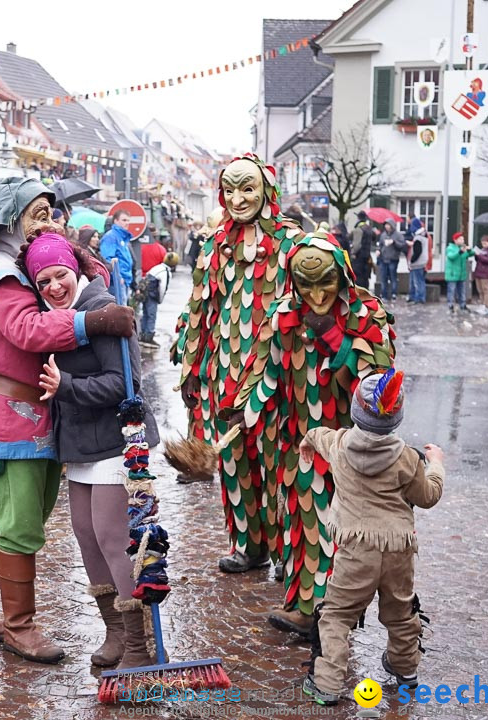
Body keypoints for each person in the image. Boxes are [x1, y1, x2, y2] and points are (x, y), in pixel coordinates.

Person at [0, 177, 136, 665]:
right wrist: (89, 322)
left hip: (35, 415)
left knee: (15, 520)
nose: (48, 222)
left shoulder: (16, 268)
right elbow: (27, 330)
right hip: (14, 418)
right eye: (37, 213)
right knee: (19, 525)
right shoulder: (0, 273)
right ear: (9, 219)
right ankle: (19, 626)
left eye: (50, 213)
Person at [229, 229, 395, 636]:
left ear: (343, 274)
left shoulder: (366, 313)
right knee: (303, 521)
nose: (317, 293)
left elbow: (379, 387)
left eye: (326, 281)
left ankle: (339, 608)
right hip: (298, 439)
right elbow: (265, 373)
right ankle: (308, 606)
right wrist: (243, 413)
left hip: (349, 443)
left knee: (346, 528)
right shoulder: (283, 314)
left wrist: (335, 338)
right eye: (306, 283)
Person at [23, 233, 161, 669]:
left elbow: (125, 384)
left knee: (113, 538)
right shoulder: (56, 316)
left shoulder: (101, 308)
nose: (54, 287)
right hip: (81, 444)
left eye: (60, 275)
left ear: (75, 270)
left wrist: (67, 387)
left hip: (115, 441)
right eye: (43, 281)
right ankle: (115, 633)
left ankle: (140, 646)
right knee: (85, 536)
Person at [171, 153, 301, 574]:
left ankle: (284, 551)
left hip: (273, 368)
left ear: (266, 189)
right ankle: (249, 545)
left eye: (247, 188)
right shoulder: (215, 243)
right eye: (230, 190)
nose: (238, 198)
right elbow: (200, 310)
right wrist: (191, 368)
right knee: (233, 462)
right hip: (221, 367)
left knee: (276, 461)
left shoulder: (290, 242)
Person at [301, 370, 445, 706]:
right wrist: (435, 464)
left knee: (336, 615)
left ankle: (327, 683)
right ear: (396, 417)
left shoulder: (338, 445)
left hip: (356, 552)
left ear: (355, 411)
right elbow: (428, 496)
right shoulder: (408, 459)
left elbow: (320, 435)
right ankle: (405, 668)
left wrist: (307, 440)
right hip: (398, 550)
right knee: (400, 611)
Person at [98, 209, 134, 303]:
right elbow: (107, 259)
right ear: (116, 221)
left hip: (124, 279)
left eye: (128, 220)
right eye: (124, 220)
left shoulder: (122, 237)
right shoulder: (111, 237)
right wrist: (118, 276)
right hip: (117, 281)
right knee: (120, 311)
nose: (127, 223)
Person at [377, 221, 407, 302]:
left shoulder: (398, 235)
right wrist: (378, 251)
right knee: (383, 278)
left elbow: (402, 245)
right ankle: (384, 295)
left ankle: (394, 294)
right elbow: (380, 245)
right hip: (383, 259)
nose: (386, 226)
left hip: (393, 259)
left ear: (392, 226)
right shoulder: (383, 235)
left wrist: (394, 242)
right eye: (385, 225)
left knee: (393, 277)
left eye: (388, 225)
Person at [445, 232, 474, 314]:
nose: (462, 240)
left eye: (463, 239)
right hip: (452, 274)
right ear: (455, 240)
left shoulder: (463, 248)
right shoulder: (450, 248)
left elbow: (471, 254)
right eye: (460, 239)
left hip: (461, 274)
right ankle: (450, 305)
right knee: (451, 290)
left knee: (462, 291)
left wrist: (469, 250)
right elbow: (451, 257)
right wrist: (460, 252)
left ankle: (463, 305)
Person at [350, 212, 374, 291]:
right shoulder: (369, 229)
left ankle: (359, 293)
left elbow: (357, 245)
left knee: (358, 277)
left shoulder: (358, 229)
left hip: (359, 257)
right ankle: (366, 293)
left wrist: (353, 253)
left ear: (358, 219)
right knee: (365, 277)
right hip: (367, 257)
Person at [473, 235, 488, 311]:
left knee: (486, 290)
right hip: (479, 272)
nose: (483, 245)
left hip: (486, 274)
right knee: (480, 290)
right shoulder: (483, 250)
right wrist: (476, 255)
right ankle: (482, 304)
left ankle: (486, 305)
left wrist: (479, 255)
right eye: (482, 244)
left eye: (485, 243)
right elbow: (478, 260)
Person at [407, 227, 430, 304]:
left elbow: (417, 252)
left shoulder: (418, 239)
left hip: (417, 263)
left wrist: (411, 261)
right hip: (422, 262)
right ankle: (419, 297)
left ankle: (418, 298)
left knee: (417, 282)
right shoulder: (425, 238)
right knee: (421, 281)